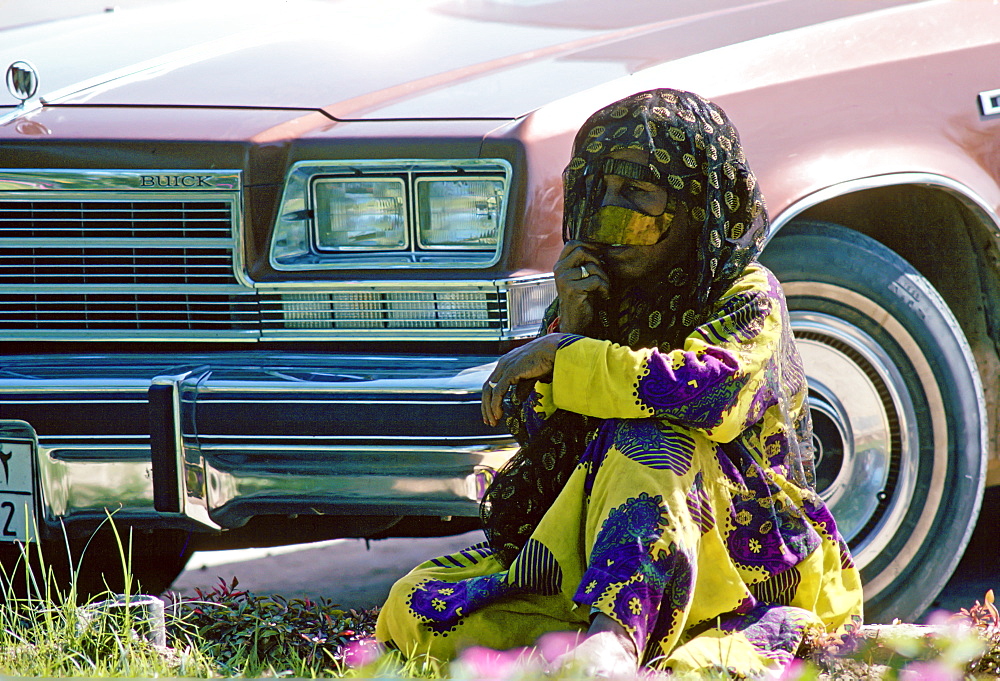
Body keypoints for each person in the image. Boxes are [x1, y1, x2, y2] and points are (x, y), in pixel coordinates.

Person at [375, 89, 863, 677]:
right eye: (601, 189)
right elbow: (546, 452)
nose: (610, 209)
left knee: (652, 441)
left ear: (694, 204)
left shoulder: (747, 294)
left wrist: (568, 355)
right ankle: (596, 632)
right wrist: (577, 324)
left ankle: (616, 639)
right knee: (418, 606)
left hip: (742, 554)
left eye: (637, 191)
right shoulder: (593, 298)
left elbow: (707, 396)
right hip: (597, 549)